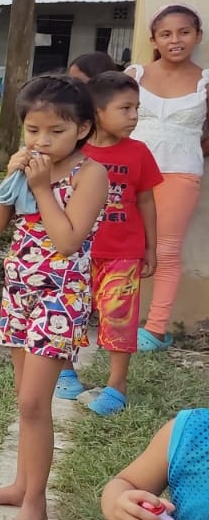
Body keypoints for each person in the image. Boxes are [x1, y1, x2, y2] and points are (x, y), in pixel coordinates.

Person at [0, 76, 106, 520]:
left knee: (35, 401)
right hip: (20, 291)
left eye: (56, 131)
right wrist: (12, 178)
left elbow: (68, 241)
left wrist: (43, 189)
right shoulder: (27, 169)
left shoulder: (90, 174)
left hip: (61, 295)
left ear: (83, 129)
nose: (42, 141)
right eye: (33, 130)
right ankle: (19, 484)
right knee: (23, 398)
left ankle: (36, 500)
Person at [57, 71, 162, 416]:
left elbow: (146, 201)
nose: (134, 116)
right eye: (125, 108)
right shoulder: (73, 151)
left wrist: (150, 247)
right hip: (76, 251)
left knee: (119, 317)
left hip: (123, 254)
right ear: (97, 112)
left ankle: (117, 386)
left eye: (137, 109)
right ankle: (65, 372)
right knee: (68, 312)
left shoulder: (139, 152)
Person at [128, 4, 207, 351]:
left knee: (167, 251)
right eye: (166, 34)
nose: (175, 40)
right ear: (154, 40)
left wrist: (191, 148)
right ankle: (116, 318)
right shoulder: (134, 75)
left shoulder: (206, 82)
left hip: (180, 174)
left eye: (184, 32)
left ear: (197, 36)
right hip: (129, 173)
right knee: (122, 246)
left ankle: (156, 329)